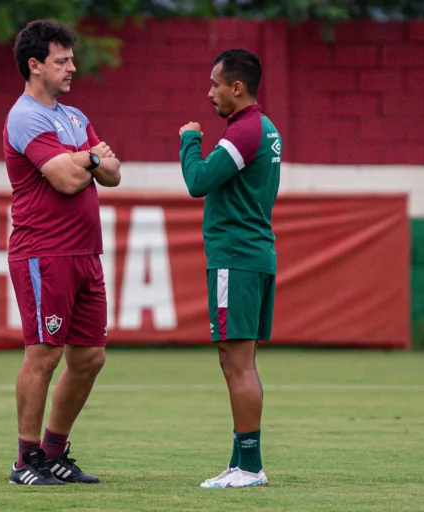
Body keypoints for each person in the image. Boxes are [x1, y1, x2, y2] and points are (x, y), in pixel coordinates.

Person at [2, 19, 121, 486]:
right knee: (44, 354)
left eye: (71, 58)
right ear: (35, 66)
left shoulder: (74, 117)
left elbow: (113, 173)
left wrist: (87, 159)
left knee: (90, 357)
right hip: (43, 253)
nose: (73, 67)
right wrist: (88, 157)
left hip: (86, 253)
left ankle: (54, 452)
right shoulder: (25, 115)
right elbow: (70, 179)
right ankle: (25, 460)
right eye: (62, 60)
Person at [178, 48, 281, 489]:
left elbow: (198, 182)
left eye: (215, 84)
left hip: (235, 258)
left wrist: (188, 140)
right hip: (253, 254)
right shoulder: (265, 128)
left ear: (236, 87)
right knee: (238, 361)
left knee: (237, 364)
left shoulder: (243, 132)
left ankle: (250, 467)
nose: (210, 93)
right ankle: (241, 461)